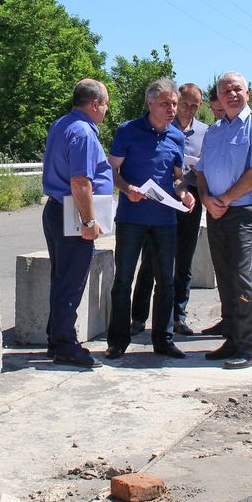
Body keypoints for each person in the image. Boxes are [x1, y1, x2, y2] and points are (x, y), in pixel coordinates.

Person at [105, 78, 197, 360]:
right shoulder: (128, 131)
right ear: (149, 103)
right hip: (131, 217)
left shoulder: (176, 137)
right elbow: (110, 171)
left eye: (174, 104)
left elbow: (178, 177)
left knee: (166, 281)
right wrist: (126, 188)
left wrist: (184, 193)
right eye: (165, 104)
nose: (172, 109)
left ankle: (163, 339)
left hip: (165, 219)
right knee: (123, 279)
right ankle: (118, 341)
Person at [195, 72, 252, 369]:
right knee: (226, 278)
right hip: (215, 212)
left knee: (244, 279)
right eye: (225, 90)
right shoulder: (214, 130)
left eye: (237, 89)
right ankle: (231, 338)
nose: (231, 94)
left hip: (242, 212)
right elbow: (201, 170)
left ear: (248, 93)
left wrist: (226, 199)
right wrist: (206, 199)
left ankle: (249, 348)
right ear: (218, 96)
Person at [41, 79, 114, 368]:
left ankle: (55, 338)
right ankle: (65, 345)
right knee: (71, 282)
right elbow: (80, 181)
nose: (106, 110)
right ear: (95, 104)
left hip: (56, 210)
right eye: (105, 104)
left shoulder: (62, 124)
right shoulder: (83, 132)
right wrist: (90, 221)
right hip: (73, 215)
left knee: (61, 279)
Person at [129, 82, 208, 336]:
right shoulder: (161, 125)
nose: (187, 109)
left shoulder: (206, 133)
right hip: (159, 199)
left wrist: (200, 172)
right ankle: (139, 318)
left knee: (184, 259)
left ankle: (178, 316)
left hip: (189, 198)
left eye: (194, 106)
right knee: (150, 260)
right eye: (184, 103)